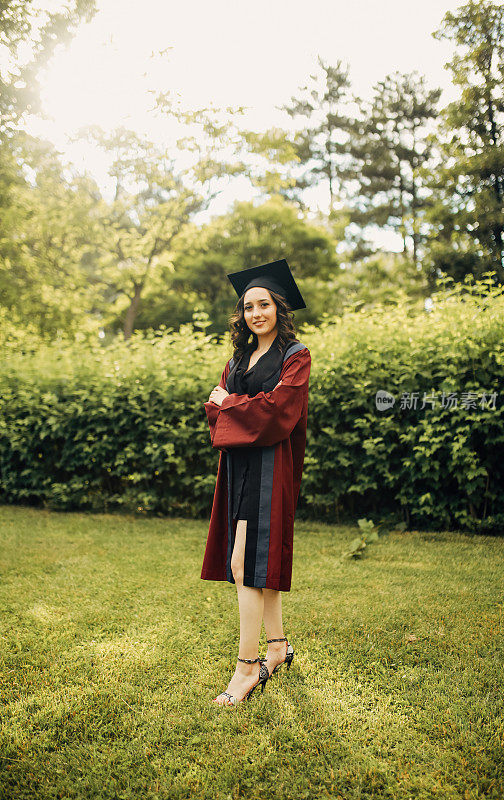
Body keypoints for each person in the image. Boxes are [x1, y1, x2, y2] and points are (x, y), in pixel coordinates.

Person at [201, 259, 311, 707]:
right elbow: (214, 408)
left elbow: (279, 412)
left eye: (264, 304)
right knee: (253, 565)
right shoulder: (238, 360)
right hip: (239, 470)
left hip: (271, 469)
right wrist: (234, 405)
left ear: (278, 308)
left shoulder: (295, 356)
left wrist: (233, 404)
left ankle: (247, 669)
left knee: (245, 566)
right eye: (248, 307)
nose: (255, 313)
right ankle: (278, 648)